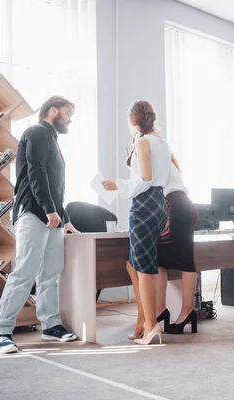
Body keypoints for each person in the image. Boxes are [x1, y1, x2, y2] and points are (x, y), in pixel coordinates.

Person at [0, 96, 80, 354]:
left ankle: (51, 325)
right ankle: (1, 331)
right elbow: (36, 172)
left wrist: (66, 219)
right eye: (67, 112)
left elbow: (57, 187)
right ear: (53, 110)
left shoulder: (52, 139)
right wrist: (50, 210)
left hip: (52, 217)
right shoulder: (37, 132)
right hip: (33, 212)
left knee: (51, 272)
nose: (70, 119)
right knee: (25, 272)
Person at [102, 100, 171, 345]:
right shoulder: (162, 142)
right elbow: (158, 178)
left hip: (144, 204)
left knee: (143, 268)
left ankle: (152, 326)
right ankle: (143, 321)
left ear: (133, 122)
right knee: (135, 266)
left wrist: (118, 185)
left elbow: (145, 179)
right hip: (159, 204)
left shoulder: (143, 142)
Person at [125, 153, 199, 337]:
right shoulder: (165, 158)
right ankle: (159, 310)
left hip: (175, 206)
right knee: (158, 258)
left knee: (184, 259)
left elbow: (143, 186)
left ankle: (186, 312)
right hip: (177, 206)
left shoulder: (152, 157)